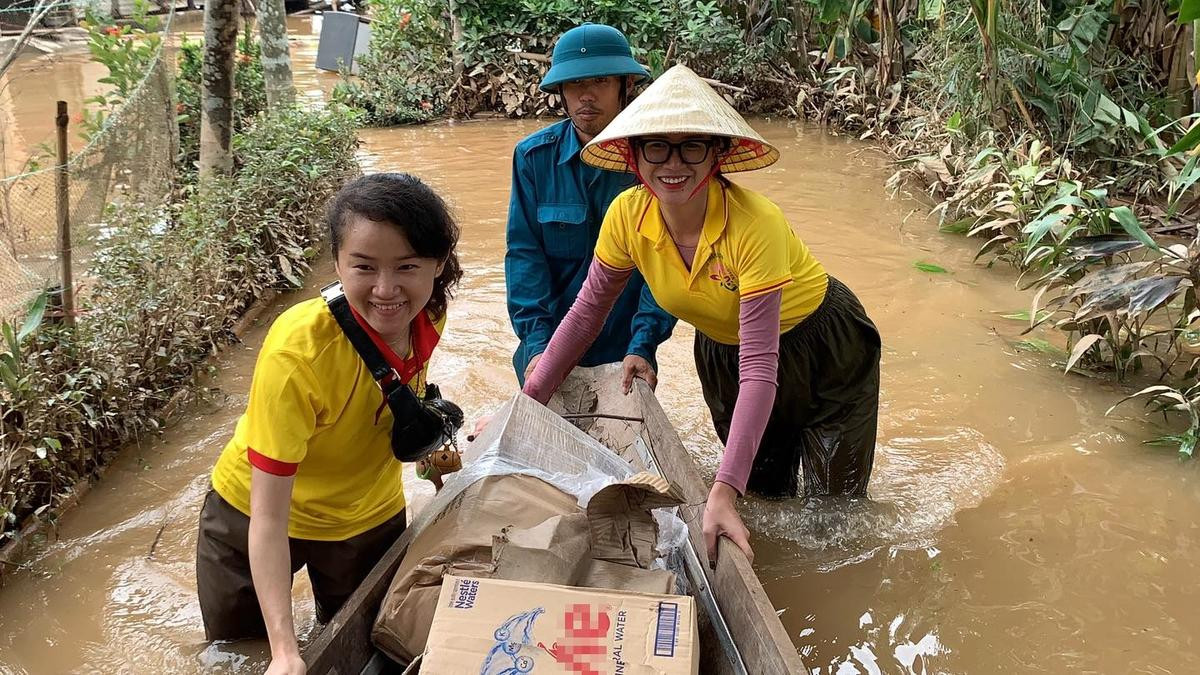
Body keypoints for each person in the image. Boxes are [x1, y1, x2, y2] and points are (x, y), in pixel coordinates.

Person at [522, 65, 881, 564]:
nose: (674, 163)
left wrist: (720, 490)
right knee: (764, 492)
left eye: (693, 146)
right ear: (633, 156)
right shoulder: (627, 216)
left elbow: (760, 365)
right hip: (722, 346)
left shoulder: (755, 223)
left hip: (824, 345)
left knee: (832, 515)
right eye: (656, 147)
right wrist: (528, 401)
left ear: (717, 156)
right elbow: (586, 317)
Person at [195, 173, 463, 675]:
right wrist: (282, 652)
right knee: (238, 653)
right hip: (250, 515)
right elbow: (268, 518)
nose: (386, 291)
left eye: (407, 266)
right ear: (337, 264)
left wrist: (433, 454)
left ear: (437, 264)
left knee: (358, 643)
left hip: (364, 515)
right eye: (364, 267)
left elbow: (406, 388)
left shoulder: (431, 312)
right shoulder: (299, 352)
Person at [506, 23, 675, 392]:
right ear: (561, 92)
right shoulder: (533, 158)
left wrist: (643, 344)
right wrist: (537, 346)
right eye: (574, 84)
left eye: (599, 81)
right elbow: (524, 257)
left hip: (625, 350)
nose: (586, 96)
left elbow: (666, 266)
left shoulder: (660, 162)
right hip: (548, 343)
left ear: (625, 86)